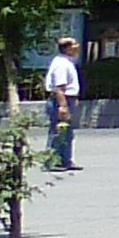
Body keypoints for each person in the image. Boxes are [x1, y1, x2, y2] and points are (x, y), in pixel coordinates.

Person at [42, 41, 83, 173]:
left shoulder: (68, 62)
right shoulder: (61, 64)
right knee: (58, 131)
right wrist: (63, 105)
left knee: (67, 132)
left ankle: (65, 160)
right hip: (60, 100)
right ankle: (52, 161)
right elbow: (59, 88)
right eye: (74, 45)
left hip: (68, 99)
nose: (77, 46)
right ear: (66, 48)